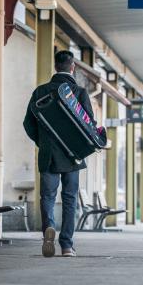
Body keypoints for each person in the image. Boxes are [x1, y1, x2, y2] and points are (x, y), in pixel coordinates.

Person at [23, 50, 95, 258]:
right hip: (73, 156)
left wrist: (43, 142)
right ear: (72, 67)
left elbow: (28, 123)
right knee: (70, 199)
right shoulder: (79, 93)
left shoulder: (40, 92)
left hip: (49, 155)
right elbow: (89, 125)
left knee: (47, 196)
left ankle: (49, 228)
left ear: (55, 67)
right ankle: (66, 246)